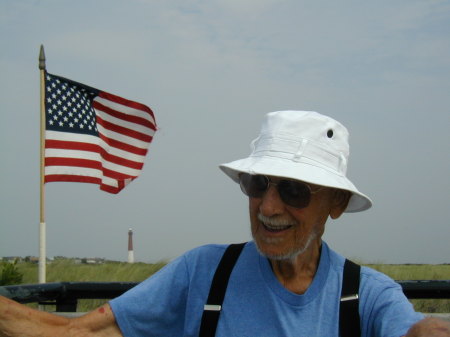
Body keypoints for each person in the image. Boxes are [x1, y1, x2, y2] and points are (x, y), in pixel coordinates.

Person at [0, 110, 449, 337]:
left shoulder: (367, 297)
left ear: (335, 203)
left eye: (293, 191)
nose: (267, 207)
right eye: (258, 184)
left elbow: (413, 330)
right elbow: (85, 331)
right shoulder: (203, 273)